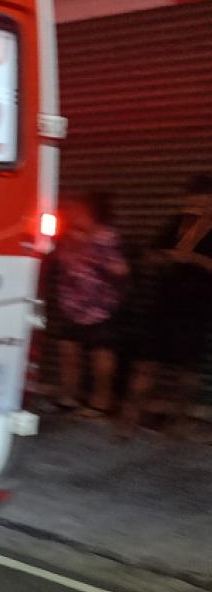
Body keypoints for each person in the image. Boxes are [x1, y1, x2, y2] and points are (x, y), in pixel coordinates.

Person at [121, 175, 212, 438]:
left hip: (196, 308)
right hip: (163, 303)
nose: (197, 208)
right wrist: (166, 257)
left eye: (204, 203)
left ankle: (177, 420)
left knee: (187, 369)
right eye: (193, 202)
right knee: (146, 363)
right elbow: (149, 254)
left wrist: (193, 259)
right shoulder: (177, 224)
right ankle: (129, 417)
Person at [51, 191, 129, 418]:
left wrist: (93, 257)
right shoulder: (70, 235)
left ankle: (100, 403)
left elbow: (120, 270)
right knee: (68, 348)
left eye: (80, 210)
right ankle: (69, 396)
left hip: (101, 307)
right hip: (73, 304)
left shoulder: (106, 238)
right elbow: (61, 261)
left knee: (100, 353)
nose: (75, 214)